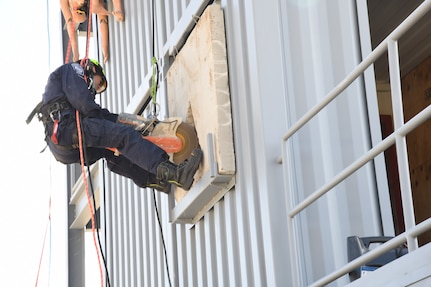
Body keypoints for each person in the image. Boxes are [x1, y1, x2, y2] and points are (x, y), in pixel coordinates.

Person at [37, 59, 202, 193]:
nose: (96, 89)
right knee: (124, 136)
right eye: (99, 83)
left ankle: (156, 180)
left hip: (62, 147)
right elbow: (85, 103)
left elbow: (104, 118)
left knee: (112, 154)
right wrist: (124, 129)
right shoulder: (73, 69)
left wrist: (129, 123)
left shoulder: (61, 88)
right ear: (91, 69)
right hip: (67, 129)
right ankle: (177, 174)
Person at [60, 0, 124, 64]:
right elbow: (103, 21)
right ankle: (118, 9)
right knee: (95, 6)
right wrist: (105, 48)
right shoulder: (93, 5)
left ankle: (118, 9)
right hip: (96, 6)